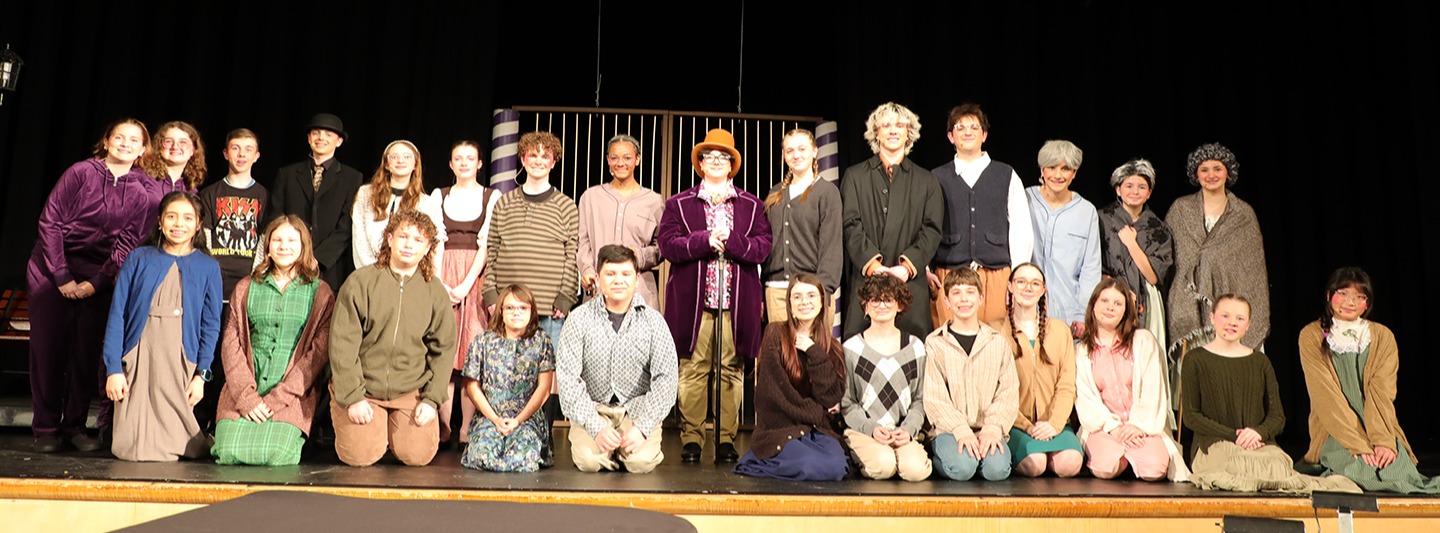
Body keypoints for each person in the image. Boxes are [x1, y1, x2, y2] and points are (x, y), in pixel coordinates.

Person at [27, 118, 154, 453]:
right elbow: (50, 223)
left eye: (133, 140)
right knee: (49, 349)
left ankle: (75, 426)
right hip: (52, 265)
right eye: (119, 137)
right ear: (107, 140)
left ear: (142, 149)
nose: (125, 144)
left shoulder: (141, 193)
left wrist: (96, 283)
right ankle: (45, 428)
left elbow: (127, 243)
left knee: (86, 353)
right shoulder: (80, 173)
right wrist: (62, 276)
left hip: (98, 272)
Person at [659, 128, 772, 464]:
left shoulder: (752, 206)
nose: (717, 162)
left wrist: (734, 242)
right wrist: (703, 240)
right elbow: (667, 245)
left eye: (724, 157)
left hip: (735, 305)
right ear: (701, 163)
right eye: (710, 157)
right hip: (695, 305)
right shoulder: (679, 204)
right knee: (692, 371)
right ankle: (692, 439)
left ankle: (725, 439)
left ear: (732, 164)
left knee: (732, 371)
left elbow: (763, 248)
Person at [1181, 295, 1357, 492]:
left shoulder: (1260, 362)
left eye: (1240, 318)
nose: (1232, 323)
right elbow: (1191, 416)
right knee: (1238, 466)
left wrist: (1257, 432)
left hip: (1258, 443)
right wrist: (1235, 435)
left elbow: (1277, 416)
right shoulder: (1194, 359)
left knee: (1277, 465)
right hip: (1214, 444)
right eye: (1225, 315)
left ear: (1248, 324)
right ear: (1212, 318)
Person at [328, 210, 456, 467]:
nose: (409, 244)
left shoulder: (434, 292)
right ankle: (374, 427)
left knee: (417, 456)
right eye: (403, 236)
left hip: (410, 390)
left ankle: (394, 430)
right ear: (389, 239)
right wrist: (353, 397)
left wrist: (431, 400)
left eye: (418, 240)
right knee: (359, 455)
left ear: (428, 247)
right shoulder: (361, 282)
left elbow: (444, 350)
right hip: (365, 389)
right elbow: (343, 345)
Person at [102, 191, 223, 461]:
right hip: (140, 349)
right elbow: (117, 313)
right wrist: (113, 369)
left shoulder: (208, 267)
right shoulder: (138, 258)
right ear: (159, 221)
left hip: (179, 353)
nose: (179, 224)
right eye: (172, 216)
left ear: (198, 224)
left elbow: (211, 325)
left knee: (182, 439)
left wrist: (201, 375)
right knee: (128, 448)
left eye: (187, 218)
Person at [482, 130, 579, 464]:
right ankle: (504, 435)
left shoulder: (566, 205)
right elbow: (492, 250)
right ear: (522, 160)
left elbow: (571, 253)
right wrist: (491, 293)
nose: (538, 161)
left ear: (553, 162)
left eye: (545, 156)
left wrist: (566, 296)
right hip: (509, 306)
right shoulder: (505, 202)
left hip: (549, 307)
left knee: (544, 377)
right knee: (509, 373)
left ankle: (542, 438)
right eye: (532, 156)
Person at [1297, 267, 1440, 492]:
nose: (1350, 301)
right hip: (1336, 429)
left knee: (1398, 472)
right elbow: (1326, 397)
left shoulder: (1382, 336)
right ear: (1329, 295)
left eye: (1359, 296)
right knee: (1355, 475)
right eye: (1342, 293)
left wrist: (1383, 441)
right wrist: (1357, 444)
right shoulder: (1312, 335)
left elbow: (1381, 392)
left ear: (1367, 302)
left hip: (1379, 425)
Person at [211, 216, 334, 466]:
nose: (283, 246)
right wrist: (246, 397)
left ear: (304, 246)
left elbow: (318, 354)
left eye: (291, 240)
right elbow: (231, 344)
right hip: (245, 386)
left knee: (277, 453)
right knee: (227, 450)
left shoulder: (319, 292)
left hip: (292, 391)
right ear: (267, 246)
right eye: (277, 240)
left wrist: (279, 398)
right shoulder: (246, 287)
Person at [556, 245, 678, 474]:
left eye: (625, 274)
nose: (618, 281)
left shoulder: (654, 322)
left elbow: (666, 380)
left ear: (636, 278)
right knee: (589, 463)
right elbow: (568, 381)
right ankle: (608, 451)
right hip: (593, 409)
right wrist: (595, 427)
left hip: (636, 410)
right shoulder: (579, 319)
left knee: (640, 463)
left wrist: (642, 428)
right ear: (599, 278)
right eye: (610, 274)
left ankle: (620, 452)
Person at [841, 102, 943, 340]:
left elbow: (932, 230)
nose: (893, 130)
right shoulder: (854, 176)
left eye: (899, 125)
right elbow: (850, 225)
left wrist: (906, 268)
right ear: (876, 132)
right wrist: (875, 267)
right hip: (866, 280)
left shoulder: (926, 181)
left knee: (911, 353)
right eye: (886, 125)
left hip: (910, 283)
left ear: (910, 131)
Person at [735, 274, 849, 481]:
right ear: (789, 303)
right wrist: (815, 413)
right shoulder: (775, 333)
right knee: (810, 465)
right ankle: (756, 462)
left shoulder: (832, 347)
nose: (804, 301)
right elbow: (773, 394)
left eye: (811, 295)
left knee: (837, 468)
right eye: (797, 297)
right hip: (781, 428)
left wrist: (814, 351)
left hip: (816, 429)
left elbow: (830, 396)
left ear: (822, 301)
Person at [927, 103, 1033, 326]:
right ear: (950, 136)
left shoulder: (1006, 174)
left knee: (997, 338)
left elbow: (1020, 227)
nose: (967, 132)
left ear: (984, 135)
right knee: (950, 342)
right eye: (960, 127)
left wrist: (1018, 278)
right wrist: (926, 268)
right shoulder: (935, 177)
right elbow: (924, 225)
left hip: (996, 275)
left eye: (974, 127)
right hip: (950, 273)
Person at [1074, 279, 1189, 482]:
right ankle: (1121, 459)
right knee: (1106, 467)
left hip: (1142, 427)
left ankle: (1135, 456)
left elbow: (1154, 390)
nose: (1110, 307)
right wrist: (1114, 428)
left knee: (1154, 470)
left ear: (1126, 310)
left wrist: (1137, 425)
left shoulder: (1143, 341)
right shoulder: (1082, 351)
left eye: (1118, 303)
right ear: (1093, 306)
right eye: (1105, 301)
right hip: (1104, 427)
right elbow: (1085, 398)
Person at [195, 128, 269, 432]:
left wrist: (254, 279)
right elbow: (207, 238)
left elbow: (264, 239)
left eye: (247, 148)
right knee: (210, 353)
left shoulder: (264, 195)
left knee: (237, 354)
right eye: (235, 148)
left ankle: (227, 419)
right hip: (216, 286)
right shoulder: (210, 193)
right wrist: (213, 279)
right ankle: (200, 422)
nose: (241, 154)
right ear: (225, 153)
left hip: (247, 285)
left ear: (256, 156)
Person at [1165, 143, 1269, 354]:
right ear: (1196, 174)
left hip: (1230, 306)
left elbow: (1253, 273)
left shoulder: (1243, 214)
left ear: (1228, 172)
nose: (1210, 175)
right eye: (1204, 169)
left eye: (1217, 168)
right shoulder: (1180, 210)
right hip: (1187, 305)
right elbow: (1168, 260)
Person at [433, 140, 501, 447]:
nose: (463, 163)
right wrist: (440, 283)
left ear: (479, 163)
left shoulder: (491, 196)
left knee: (472, 353)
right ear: (450, 164)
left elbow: (486, 244)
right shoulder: (439, 195)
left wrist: (465, 284)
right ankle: (445, 426)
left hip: (475, 274)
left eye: (469, 158)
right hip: (443, 271)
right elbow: (435, 241)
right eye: (458, 158)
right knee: (444, 353)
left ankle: (467, 429)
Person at [924, 268, 1019, 481]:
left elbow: (1008, 392)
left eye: (970, 292)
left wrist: (993, 428)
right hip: (950, 430)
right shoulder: (935, 343)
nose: (964, 299)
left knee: (997, 471)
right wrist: (960, 429)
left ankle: (979, 455)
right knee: (963, 468)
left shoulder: (997, 342)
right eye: (956, 293)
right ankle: (946, 457)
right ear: (947, 301)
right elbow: (935, 397)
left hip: (987, 427)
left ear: (980, 298)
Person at [990, 262, 1083, 478]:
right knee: (1036, 464)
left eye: (1035, 283)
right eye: (1021, 282)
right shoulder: (994, 331)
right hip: (1014, 425)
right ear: (1011, 287)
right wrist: (1026, 425)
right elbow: (993, 390)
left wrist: (1054, 424)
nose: (1028, 288)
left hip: (1053, 424)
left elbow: (1066, 384)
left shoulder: (1059, 330)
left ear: (1043, 290)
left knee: (1069, 464)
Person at [841, 274, 932, 481]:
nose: (881, 305)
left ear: (899, 305)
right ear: (865, 305)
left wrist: (908, 430)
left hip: (902, 432)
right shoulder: (851, 349)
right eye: (875, 300)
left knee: (915, 471)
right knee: (883, 465)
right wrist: (871, 428)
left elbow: (920, 400)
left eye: (888, 299)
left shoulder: (915, 347)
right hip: (865, 431)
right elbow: (847, 403)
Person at [460, 283, 554, 473]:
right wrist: (495, 419)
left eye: (522, 308)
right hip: (489, 418)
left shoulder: (542, 341)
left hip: (527, 420)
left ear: (531, 311)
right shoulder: (483, 341)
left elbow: (544, 389)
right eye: (510, 307)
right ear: (501, 311)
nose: (516, 313)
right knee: (482, 454)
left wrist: (518, 420)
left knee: (523, 457)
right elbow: (471, 387)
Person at [267, 113, 364, 291]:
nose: (321, 138)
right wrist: (296, 254)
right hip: (289, 263)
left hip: (330, 268)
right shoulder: (287, 174)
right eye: (316, 133)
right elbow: (277, 216)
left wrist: (317, 258)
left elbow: (346, 226)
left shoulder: (352, 178)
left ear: (339, 141)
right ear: (309, 138)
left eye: (328, 134)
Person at [1096, 159, 1173, 370]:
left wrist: (1131, 243)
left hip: (1147, 298)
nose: (1135, 192)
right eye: (1129, 186)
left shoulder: (1157, 226)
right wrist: (1119, 291)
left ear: (1149, 193)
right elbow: (1095, 263)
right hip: (1111, 296)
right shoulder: (1102, 219)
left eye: (1141, 187)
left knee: (1146, 362)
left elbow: (1154, 276)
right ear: (1118, 189)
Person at [762, 129, 842, 324]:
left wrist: (823, 289)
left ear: (814, 151)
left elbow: (832, 245)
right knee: (781, 353)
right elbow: (765, 241)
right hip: (777, 291)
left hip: (812, 292)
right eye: (789, 151)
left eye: (802, 149)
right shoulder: (775, 194)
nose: (796, 155)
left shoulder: (826, 192)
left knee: (813, 352)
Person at [578, 134, 664, 309]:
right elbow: (582, 241)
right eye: (614, 158)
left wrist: (639, 255)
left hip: (640, 294)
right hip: (599, 290)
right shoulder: (591, 197)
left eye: (627, 158)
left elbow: (662, 247)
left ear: (637, 160)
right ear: (608, 160)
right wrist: (586, 271)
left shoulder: (654, 201)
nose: (620, 163)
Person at [1026, 140, 1100, 339]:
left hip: (1069, 313)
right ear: (1042, 170)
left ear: (1074, 173)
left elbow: (1091, 267)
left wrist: (1083, 313)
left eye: (1065, 168)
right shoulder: (1025, 200)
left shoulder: (1086, 211)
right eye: (1051, 167)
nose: (1058, 175)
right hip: (1026, 307)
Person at [353, 140, 445, 273]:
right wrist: (372, 273)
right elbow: (359, 239)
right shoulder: (366, 194)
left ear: (415, 164)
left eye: (407, 157)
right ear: (386, 164)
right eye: (394, 157)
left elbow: (433, 244)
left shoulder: (428, 204)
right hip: (369, 274)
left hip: (409, 276)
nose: (400, 161)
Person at [141, 121, 205, 214]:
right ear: (159, 146)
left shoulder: (192, 191)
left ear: (193, 150)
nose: (175, 146)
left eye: (183, 142)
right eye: (168, 141)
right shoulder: (143, 178)